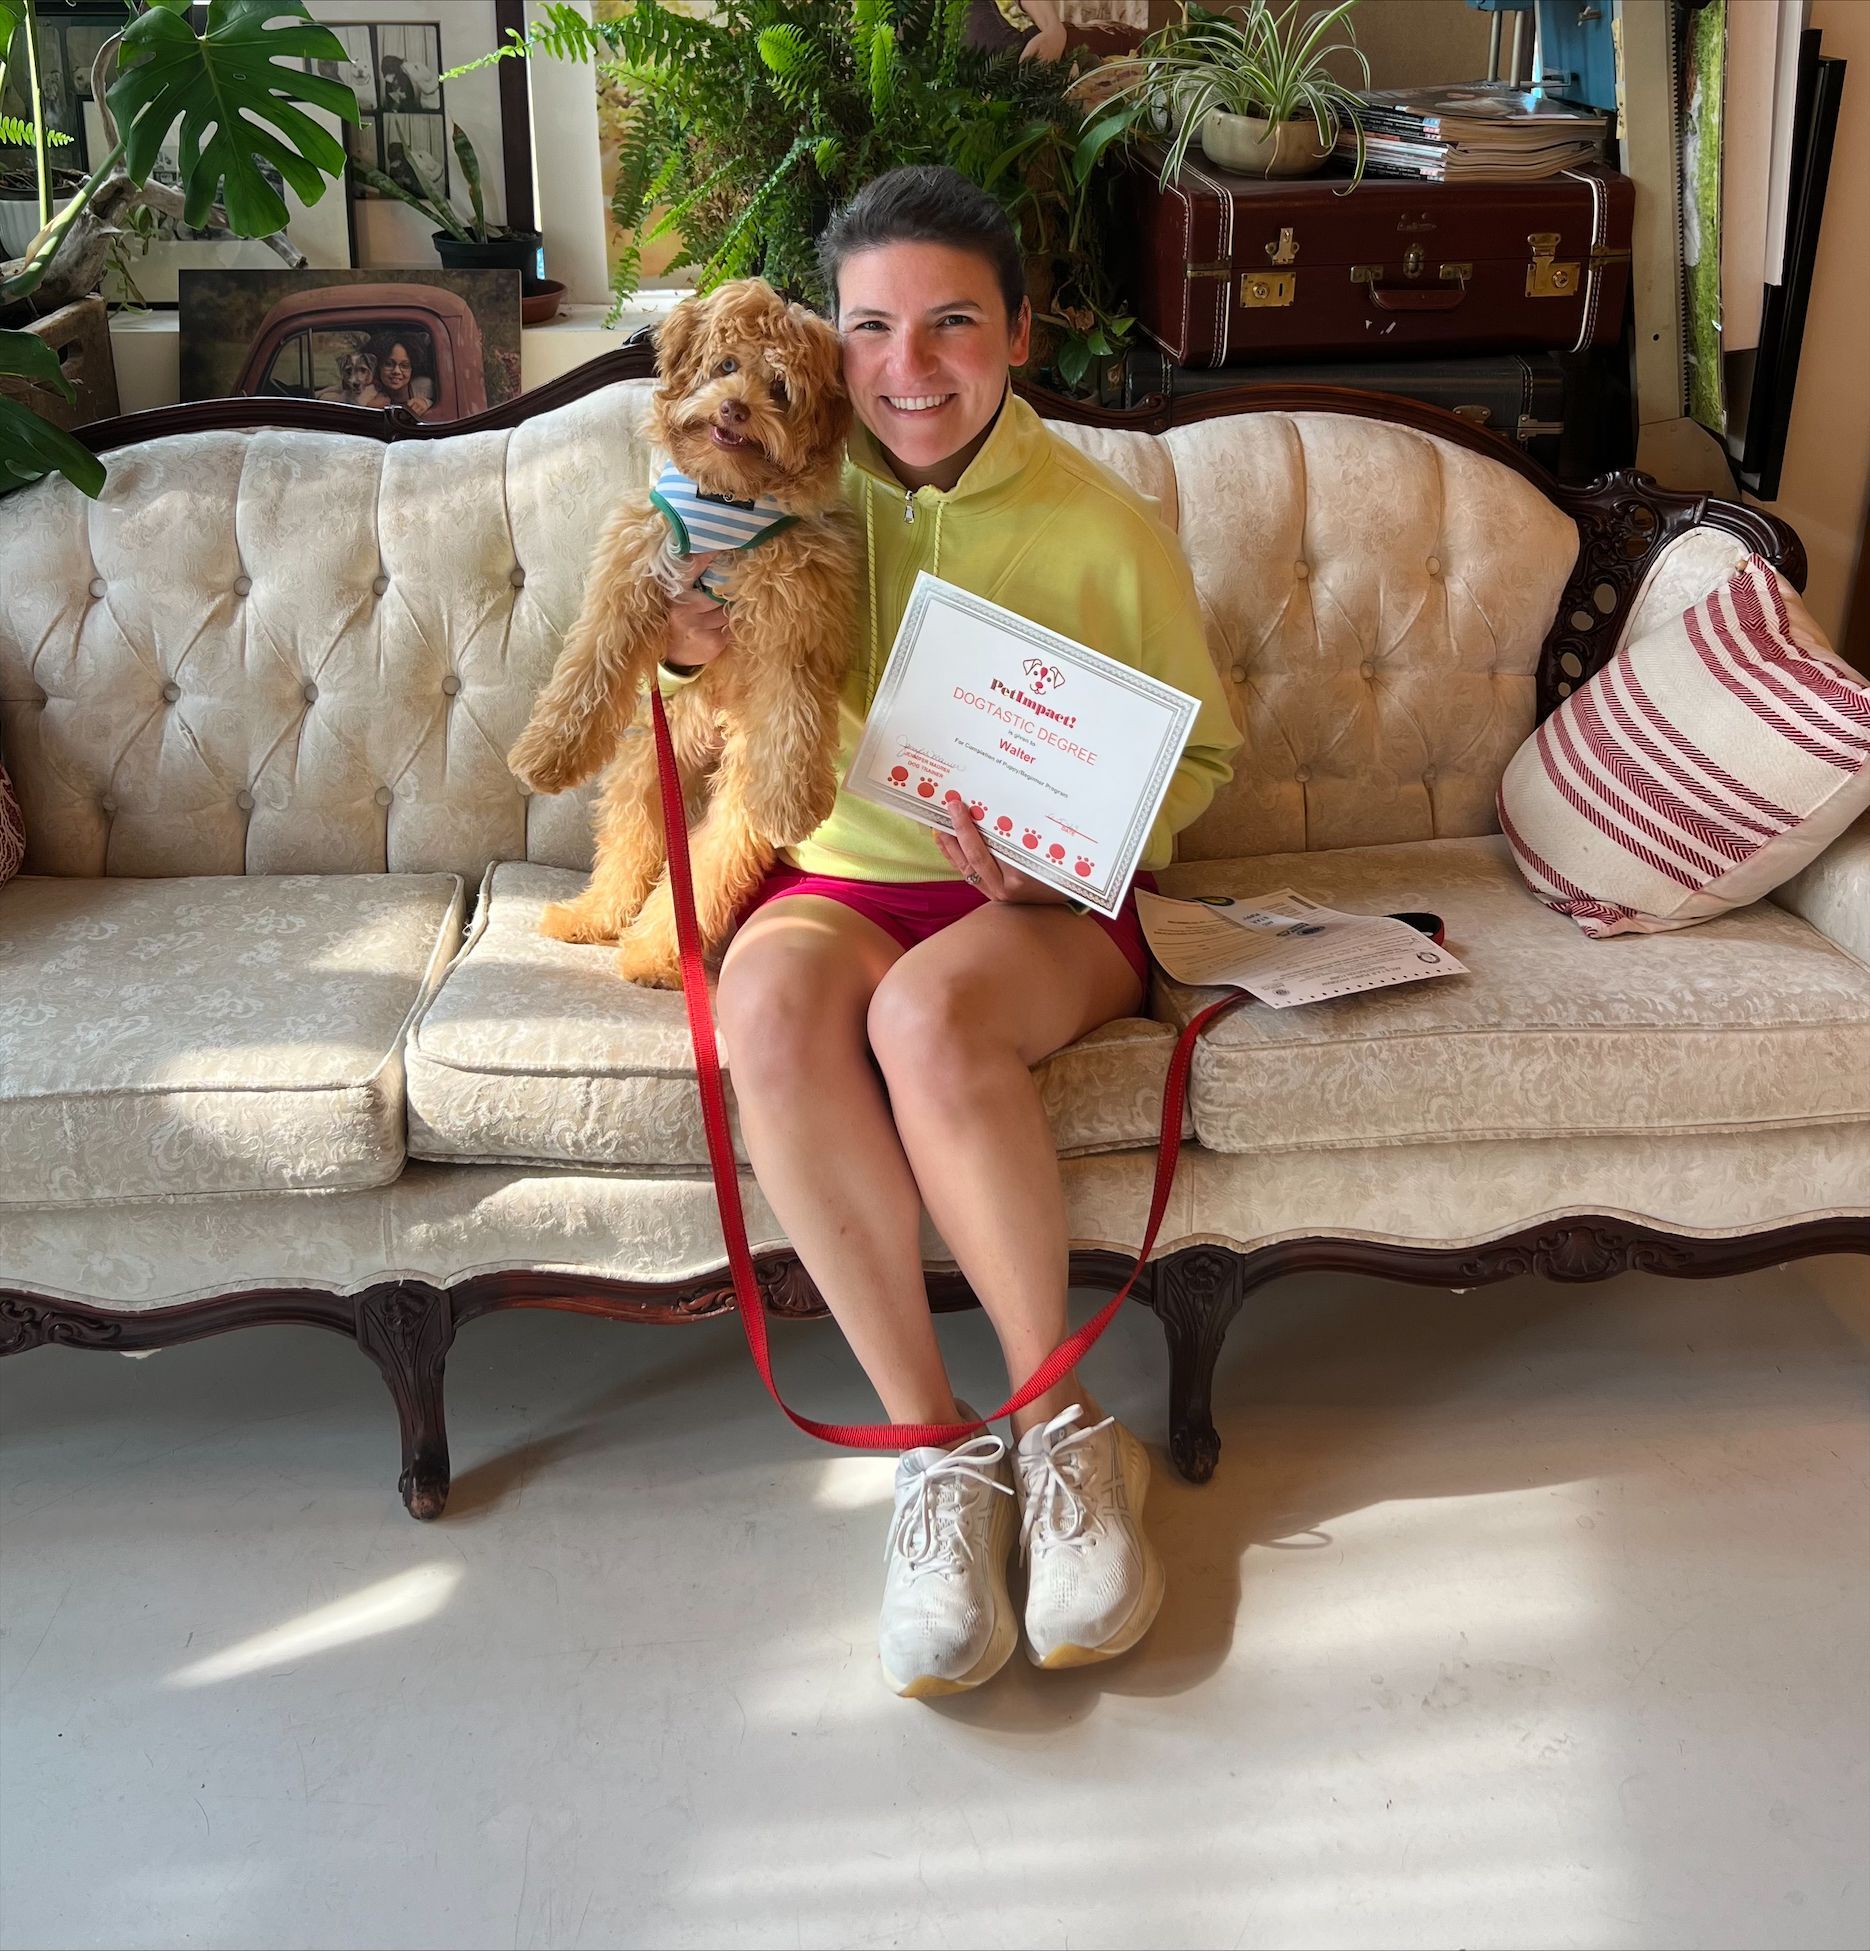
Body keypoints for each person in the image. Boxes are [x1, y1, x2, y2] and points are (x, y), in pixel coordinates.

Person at [657, 167, 1242, 1699]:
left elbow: (1204, 760)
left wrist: (1071, 857)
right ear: (827, 342)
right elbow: (693, 711)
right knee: (767, 1012)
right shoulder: (783, 493)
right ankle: (933, 1450)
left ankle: (1059, 1428)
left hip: (1038, 903)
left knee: (928, 1014)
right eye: (869, 329)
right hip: (847, 872)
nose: (907, 367)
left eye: (950, 323)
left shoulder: (1108, 528)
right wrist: (679, 651)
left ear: (1019, 332)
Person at [363, 332, 435, 418]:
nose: (396, 371)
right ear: (379, 366)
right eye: (389, 364)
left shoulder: (425, 385)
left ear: (412, 368)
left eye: (404, 366)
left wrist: (426, 403)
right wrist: (370, 410)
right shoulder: (367, 390)